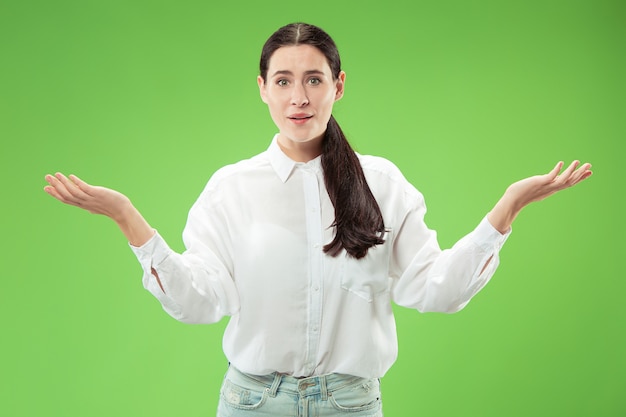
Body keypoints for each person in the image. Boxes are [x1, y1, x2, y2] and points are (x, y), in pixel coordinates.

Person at [43, 22, 592, 417]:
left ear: (338, 85)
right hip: (252, 404)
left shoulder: (381, 183)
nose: (298, 97)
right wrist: (125, 216)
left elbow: (435, 289)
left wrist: (507, 209)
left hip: (351, 404)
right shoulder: (231, 189)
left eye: (313, 79)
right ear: (261, 88)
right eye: (282, 81)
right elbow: (200, 302)